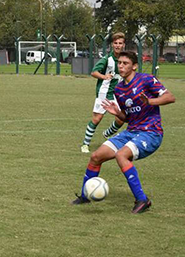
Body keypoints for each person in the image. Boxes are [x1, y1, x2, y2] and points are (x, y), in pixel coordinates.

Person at [72, 51, 175, 213]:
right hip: (132, 131)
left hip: (151, 132)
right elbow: (128, 118)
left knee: (121, 155)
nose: (121, 66)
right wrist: (117, 113)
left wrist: (150, 101)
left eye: (125, 63)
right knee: (95, 156)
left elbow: (170, 97)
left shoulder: (146, 80)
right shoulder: (119, 89)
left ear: (134, 66)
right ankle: (86, 195)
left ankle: (142, 200)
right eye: (119, 63)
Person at [80, 32, 126, 153]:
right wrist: (104, 76)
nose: (117, 45)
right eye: (115, 43)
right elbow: (94, 72)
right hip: (104, 93)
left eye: (120, 43)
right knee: (97, 119)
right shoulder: (107, 59)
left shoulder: (125, 60)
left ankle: (107, 133)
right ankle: (85, 144)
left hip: (119, 95)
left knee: (121, 119)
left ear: (123, 45)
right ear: (112, 45)